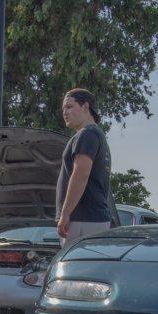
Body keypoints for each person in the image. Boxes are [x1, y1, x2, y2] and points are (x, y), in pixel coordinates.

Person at [55, 88, 114, 245]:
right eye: (63, 109)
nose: (64, 112)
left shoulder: (86, 134)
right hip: (93, 219)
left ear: (86, 107)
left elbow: (80, 175)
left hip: (82, 220)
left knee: (75, 269)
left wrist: (65, 214)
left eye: (69, 107)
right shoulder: (97, 135)